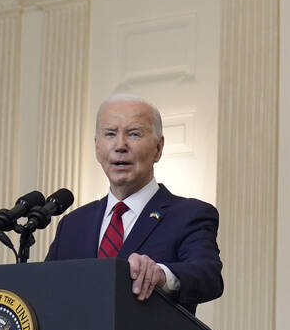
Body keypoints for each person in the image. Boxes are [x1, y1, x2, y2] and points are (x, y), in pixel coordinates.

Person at [44, 93, 223, 313]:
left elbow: (208, 275)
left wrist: (160, 274)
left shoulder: (190, 215)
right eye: (110, 134)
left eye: (134, 134)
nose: (120, 145)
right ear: (97, 147)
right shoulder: (73, 224)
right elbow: (47, 293)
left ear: (158, 148)